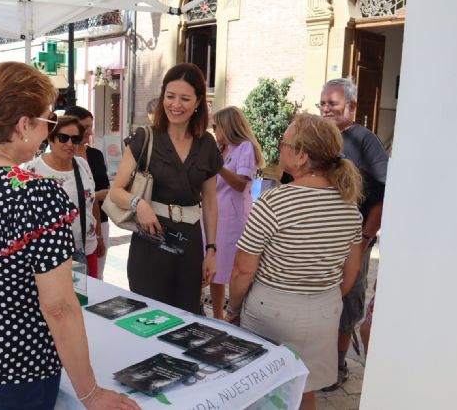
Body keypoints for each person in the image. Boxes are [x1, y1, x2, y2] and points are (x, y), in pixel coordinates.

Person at [0, 61, 139, 410]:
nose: (48, 130)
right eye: (47, 120)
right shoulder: (36, 193)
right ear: (24, 125)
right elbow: (58, 306)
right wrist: (90, 393)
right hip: (18, 368)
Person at [225, 113, 364, 410]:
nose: (279, 148)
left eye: (283, 143)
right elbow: (351, 269)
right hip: (324, 310)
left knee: (262, 392)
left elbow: (242, 270)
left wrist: (233, 308)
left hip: (273, 311)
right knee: (304, 389)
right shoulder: (349, 205)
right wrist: (323, 296)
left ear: (301, 156)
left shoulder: (275, 203)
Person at [109, 63, 223, 314]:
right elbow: (116, 191)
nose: (176, 105)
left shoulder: (207, 144)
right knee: (147, 315)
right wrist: (140, 204)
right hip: (151, 240)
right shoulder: (145, 137)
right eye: (170, 97)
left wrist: (211, 249)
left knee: (187, 316)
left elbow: (211, 201)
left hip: (190, 242)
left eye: (185, 98)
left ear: (198, 102)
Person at [318, 78, 388, 390]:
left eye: (332, 103)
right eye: (323, 103)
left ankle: (337, 365)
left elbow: (381, 198)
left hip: (352, 243)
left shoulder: (366, 141)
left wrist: (364, 239)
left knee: (347, 303)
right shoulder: (318, 138)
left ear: (352, 107)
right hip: (318, 239)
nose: (326, 109)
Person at [22, 115, 101, 279]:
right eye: (63, 138)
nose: (70, 144)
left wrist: (99, 235)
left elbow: (91, 203)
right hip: (50, 255)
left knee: (88, 301)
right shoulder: (31, 170)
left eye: (75, 139)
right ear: (50, 139)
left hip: (86, 248)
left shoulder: (82, 165)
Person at [209, 106, 264, 319]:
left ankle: (235, 315)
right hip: (215, 218)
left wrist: (218, 166)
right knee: (215, 269)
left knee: (233, 269)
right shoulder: (221, 148)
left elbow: (241, 183)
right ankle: (217, 317)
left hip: (232, 220)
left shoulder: (244, 148)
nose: (213, 130)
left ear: (228, 125)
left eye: (216, 125)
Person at [65, 106, 109, 280]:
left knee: (96, 276)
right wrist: (93, 196)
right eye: (85, 127)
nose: (90, 132)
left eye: (91, 126)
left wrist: (98, 234)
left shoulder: (95, 155)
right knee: (74, 280)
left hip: (99, 219)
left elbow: (104, 186)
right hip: (71, 227)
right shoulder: (52, 161)